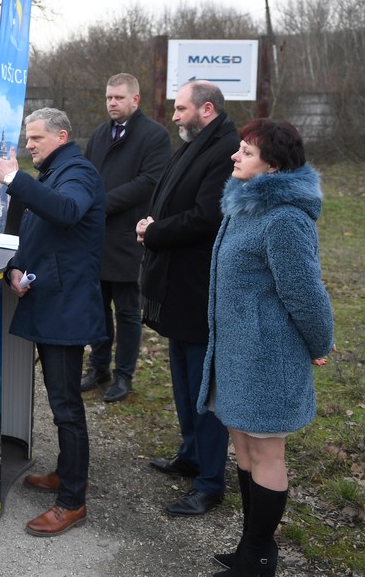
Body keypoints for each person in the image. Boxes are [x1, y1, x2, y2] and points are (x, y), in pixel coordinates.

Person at [197, 119, 333, 576]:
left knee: (266, 451)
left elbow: (306, 293)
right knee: (243, 446)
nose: (235, 157)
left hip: (268, 356)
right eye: (238, 149)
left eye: (247, 153)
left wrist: (321, 343)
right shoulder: (245, 208)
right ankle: (251, 547)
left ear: (272, 166)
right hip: (235, 352)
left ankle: (258, 555)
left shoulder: (285, 218)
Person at [0, 107, 106, 537]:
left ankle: (72, 501)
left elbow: (67, 211)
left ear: (62, 135)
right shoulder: (55, 170)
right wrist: (16, 265)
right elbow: (39, 230)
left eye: (36, 138)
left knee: (67, 408)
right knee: (60, 402)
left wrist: (16, 179)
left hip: (67, 307)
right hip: (50, 298)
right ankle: (66, 475)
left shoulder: (78, 172)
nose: (29, 145)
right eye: (28, 138)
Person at [136, 80, 238, 517]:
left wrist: (153, 231)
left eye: (180, 109)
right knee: (183, 381)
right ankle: (191, 454)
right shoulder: (198, 142)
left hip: (200, 288)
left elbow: (206, 217)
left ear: (206, 109)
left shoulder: (225, 149)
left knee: (203, 389)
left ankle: (211, 482)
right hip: (177, 285)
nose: (174, 116)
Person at [81, 73, 171, 402]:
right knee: (98, 307)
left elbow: (151, 181)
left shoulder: (155, 136)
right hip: (97, 235)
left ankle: (124, 375)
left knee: (128, 311)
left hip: (131, 235)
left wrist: (102, 203)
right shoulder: (99, 135)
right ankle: (99, 366)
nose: (112, 103)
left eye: (119, 98)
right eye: (108, 98)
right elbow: (88, 174)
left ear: (135, 100)